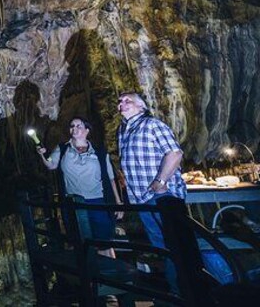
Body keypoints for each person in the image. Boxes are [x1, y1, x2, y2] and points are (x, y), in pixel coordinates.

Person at [117, 92, 185, 290]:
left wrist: (160, 180)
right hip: (141, 198)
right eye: (120, 101)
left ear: (142, 106)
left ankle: (185, 292)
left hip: (162, 196)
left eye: (127, 100)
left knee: (174, 245)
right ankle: (175, 290)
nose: (122, 103)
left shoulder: (152, 124)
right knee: (161, 246)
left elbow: (174, 152)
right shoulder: (123, 130)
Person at [38, 117, 124, 256]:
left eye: (79, 125)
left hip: (98, 201)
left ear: (87, 130)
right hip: (74, 203)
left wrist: (118, 202)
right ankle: (89, 275)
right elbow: (51, 165)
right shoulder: (63, 148)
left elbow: (111, 178)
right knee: (80, 241)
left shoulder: (99, 151)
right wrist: (42, 155)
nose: (75, 128)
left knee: (104, 242)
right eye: (72, 126)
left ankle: (108, 275)